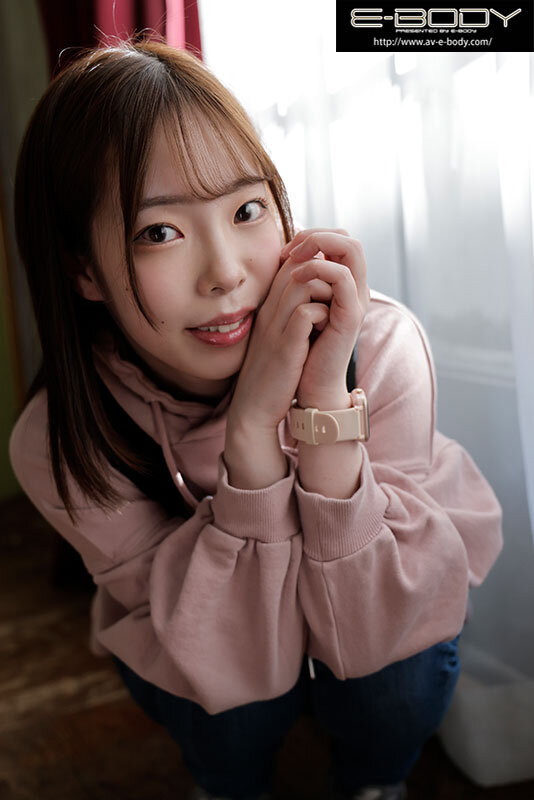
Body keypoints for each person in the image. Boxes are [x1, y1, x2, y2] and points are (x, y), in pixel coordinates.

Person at [9, 39, 502, 800]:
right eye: (158, 232)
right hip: (222, 661)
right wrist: (251, 434)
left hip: (369, 628)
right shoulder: (62, 439)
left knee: (399, 672)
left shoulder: (377, 345)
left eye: (246, 211)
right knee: (227, 708)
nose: (226, 273)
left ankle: (376, 781)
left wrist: (323, 402)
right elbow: (229, 656)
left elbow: (383, 627)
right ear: (83, 271)